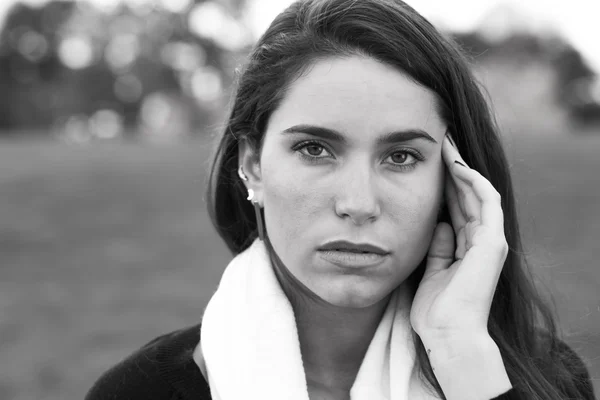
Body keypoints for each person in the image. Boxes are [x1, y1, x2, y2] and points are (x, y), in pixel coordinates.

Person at [85, 0, 595, 399]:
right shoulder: (138, 394)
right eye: (314, 149)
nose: (358, 203)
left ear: (455, 179)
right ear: (252, 165)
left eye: (401, 157)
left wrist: (462, 357)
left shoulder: (544, 381)